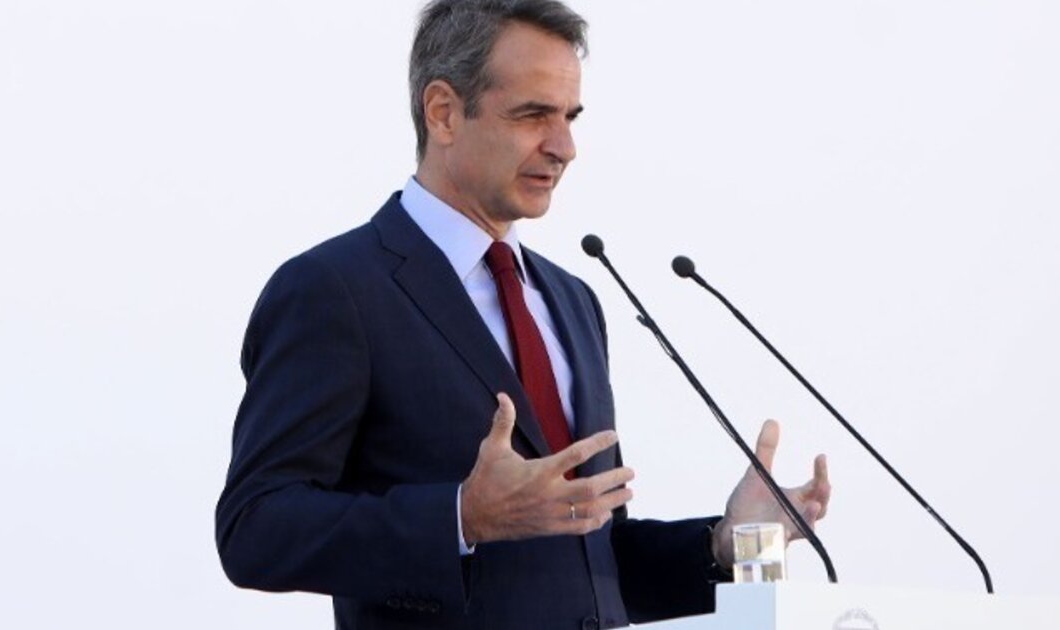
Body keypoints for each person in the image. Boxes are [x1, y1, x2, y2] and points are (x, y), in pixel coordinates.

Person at [215, 1, 831, 628]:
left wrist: (727, 545)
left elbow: (586, 559)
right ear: (443, 112)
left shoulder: (572, 300)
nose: (564, 147)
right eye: (534, 114)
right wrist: (461, 516)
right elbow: (254, 529)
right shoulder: (336, 289)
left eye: (570, 117)